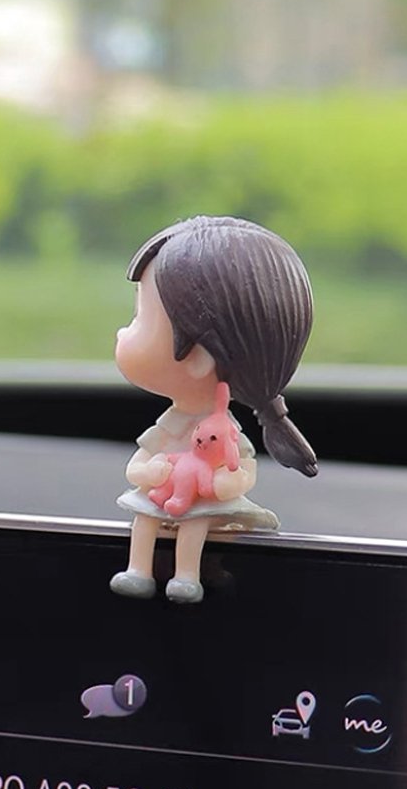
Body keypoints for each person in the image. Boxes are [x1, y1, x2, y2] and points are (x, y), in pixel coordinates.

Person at [111, 215, 317, 604]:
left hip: (199, 503)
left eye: (139, 318)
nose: (122, 331)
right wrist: (145, 473)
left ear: (198, 358)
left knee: (197, 525)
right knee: (145, 520)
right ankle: (138, 569)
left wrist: (226, 484)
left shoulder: (223, 430)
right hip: (161, 498)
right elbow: (139, 463)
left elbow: (242, 468)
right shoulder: (173, 425)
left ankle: (188, 576)